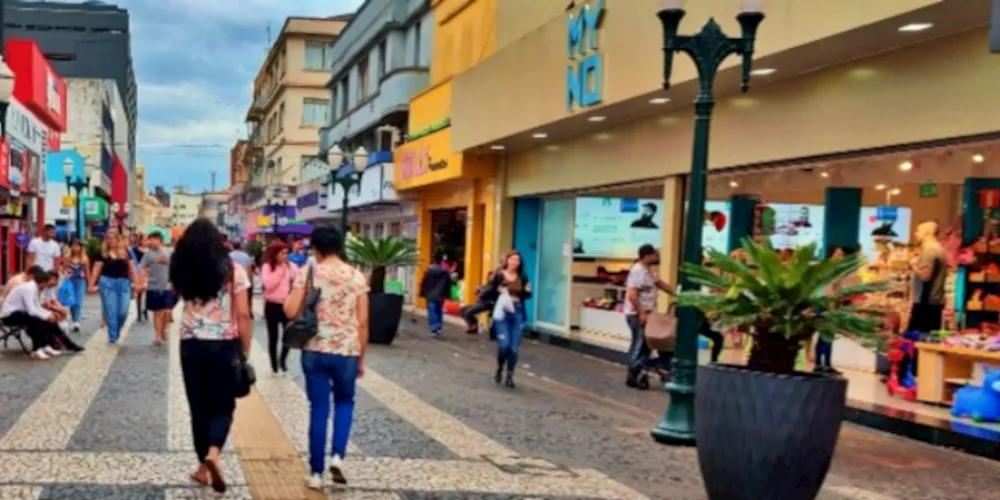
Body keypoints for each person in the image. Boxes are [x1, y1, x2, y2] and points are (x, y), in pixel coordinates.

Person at [171, 219, 253, 494]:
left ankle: (202, 468)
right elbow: (243, 313)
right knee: (223, 403)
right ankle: (214, 453)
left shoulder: (181, 267)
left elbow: (177, 296)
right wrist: (245, 348)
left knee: (198, 406)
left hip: (191, 343)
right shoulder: (233, 270)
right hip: (224, 344)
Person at [284, 225, 369, 490]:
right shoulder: (356, 277)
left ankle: (316, 474)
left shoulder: (309, 273)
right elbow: (363, 322)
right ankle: (338, 456)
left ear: (316, 249)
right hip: (346, 352)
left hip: (315, 349)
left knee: (319, 409)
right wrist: (361, 358)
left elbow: (289, 310)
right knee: (345, 402)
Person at [624, 244, 675, 389]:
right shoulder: (637, 271)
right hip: (637, 314)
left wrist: (676, 294)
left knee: (646, 346)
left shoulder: (648, 271)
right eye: (654, 254)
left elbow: (660, 283)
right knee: (639, 345)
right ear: (647, 256)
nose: (657, 256)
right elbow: (632, 295)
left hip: (647, 313)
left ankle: (641, 373)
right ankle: (633, 375)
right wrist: (641, 313)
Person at [1, 268, 82, 359]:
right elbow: (32, 310)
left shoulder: (36, 288)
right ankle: (37, 349)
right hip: (9, 315)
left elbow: (37, 307)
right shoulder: (28, 289)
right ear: (43, 282)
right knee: (34, 319)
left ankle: (49, 345)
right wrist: (47, 316)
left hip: (21, 313)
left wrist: (49, 315)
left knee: (45, 320)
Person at [487, 250, 532, 387]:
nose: (514, 262)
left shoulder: (522, 276)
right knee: (504, 345)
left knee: (514, 348)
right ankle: (500, 368)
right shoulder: (499, 275)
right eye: (512, 259)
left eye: (517, 260)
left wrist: (527, 291)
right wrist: (498, 290)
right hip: (502, 313)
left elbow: (526, 295)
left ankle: (510, 375)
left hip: (517, 312)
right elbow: (489, 292)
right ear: (507, 260)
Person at [88, 231, 138, 344]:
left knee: (123, 312)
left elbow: (132, 268)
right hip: (107, 283)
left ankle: (116, 330)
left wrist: (137, 283)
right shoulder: (103, 253)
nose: (110, 240)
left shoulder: (125, 253)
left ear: (118, 239)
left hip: (124, 283)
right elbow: (96, 269)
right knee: (111, 311)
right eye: (108, 238)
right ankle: (113, 336)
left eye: (113, 238)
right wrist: (91, 285)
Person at [261, 240, 298, 375]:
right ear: (275, 254)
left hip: (286, 304)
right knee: (273, 336)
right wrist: (280, 271)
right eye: (282, 253)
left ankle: (283, 359)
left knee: (288, 335)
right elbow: (268, 285)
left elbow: (297, 280)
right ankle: (274, 364)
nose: (285, 256)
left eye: (286, 253)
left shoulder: (291, 266)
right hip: (272, 304)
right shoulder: (267, 267)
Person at [910, 220, 947, 333]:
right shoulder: (938, 248)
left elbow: (925, 276)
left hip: (926, 303)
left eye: (918, 231)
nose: (915, 234)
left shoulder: (929, 250)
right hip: (933, 302)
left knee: (918, 338)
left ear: (927, 233)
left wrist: (913, 265)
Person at [140, 232, 174, 346]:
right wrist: (140, 282)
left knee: (166, 311)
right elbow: (143, 268)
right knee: (157, 312)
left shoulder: (169, 252)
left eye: (152, 239)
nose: (150, 242)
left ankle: (163, 330)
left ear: (159, 240)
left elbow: (177, 265)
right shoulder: (148, 254)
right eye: (149, 239)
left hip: (167, 286)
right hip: (153, 286)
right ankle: (158, 335)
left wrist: (166, 261)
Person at [418, 252, 452, 338]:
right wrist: (448, 294)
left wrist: (421, 292)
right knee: (438, 310)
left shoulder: (429, 270)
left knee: (432, 311)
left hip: (430, 294)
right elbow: (448, 283)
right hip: (440, 294)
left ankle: (434, 328)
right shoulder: (445, 272)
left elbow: (424, 282)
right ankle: (438, 327)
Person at [64, 240, 91, 332]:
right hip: (70, 281)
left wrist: (89, 284)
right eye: (73, 245)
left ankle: (76, 321)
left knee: (78, 301)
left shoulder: (85, 259)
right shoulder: (67, 258)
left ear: (81, 247)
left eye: (77, 246)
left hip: (80, 281)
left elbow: (88, 272)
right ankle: (74, 319)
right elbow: (63, 269)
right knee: (71, 301)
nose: (75, 248)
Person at [459, 270, 497, 334]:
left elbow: (483, 294)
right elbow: (479, 293)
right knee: (462, 309)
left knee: (468, 312)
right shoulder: (488, 284)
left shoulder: (493, 286)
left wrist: (480, 290)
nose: (491, 277)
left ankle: (473, 326)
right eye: (490, 276)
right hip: (480, 302)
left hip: (486, 304)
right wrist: (479, 290)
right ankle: (473, 325)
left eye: (492, 276)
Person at [229, 241, 255, 320]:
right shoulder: (246, 256)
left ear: (233, 246)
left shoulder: (229, 255)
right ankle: (248, 310)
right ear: (240, 247)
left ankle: (234, 313)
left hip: (233, 280)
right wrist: (250, 280)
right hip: (244, 280)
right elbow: (249, 269)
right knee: (246, 298)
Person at [128, 233, 149, 322]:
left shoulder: (150, 250)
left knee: (149, 293)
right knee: (139, 293)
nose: (145, 241)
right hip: (138, 272)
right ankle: (139, 312)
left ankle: (146, 309)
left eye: (146, 239)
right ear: (140, 240)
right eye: (144, 239)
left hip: (149, 273)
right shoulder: (134, 250)